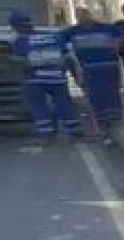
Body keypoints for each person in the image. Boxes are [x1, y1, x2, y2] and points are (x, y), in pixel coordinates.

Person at [9, 10, 82, 141]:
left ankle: (46, 134)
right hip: (57, 78)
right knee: (65, 105)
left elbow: (17, 62)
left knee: (39, 106)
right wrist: (77, 78)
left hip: (34, 80)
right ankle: (74, 131)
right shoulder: (55, 37)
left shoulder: (21, 41)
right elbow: (68, 59)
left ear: (16, 25)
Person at [64, 7, 124, 140]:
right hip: (88, 68)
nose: (82, 18)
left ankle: (113, 119)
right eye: (79, 16)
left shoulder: (107, 28)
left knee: (111, 93)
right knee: (93, 95)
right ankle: (99, 122)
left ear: (89, 15)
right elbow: (62, 46)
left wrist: (118, 43)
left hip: (108, 66)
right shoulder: (72, 32)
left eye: (84, 15)